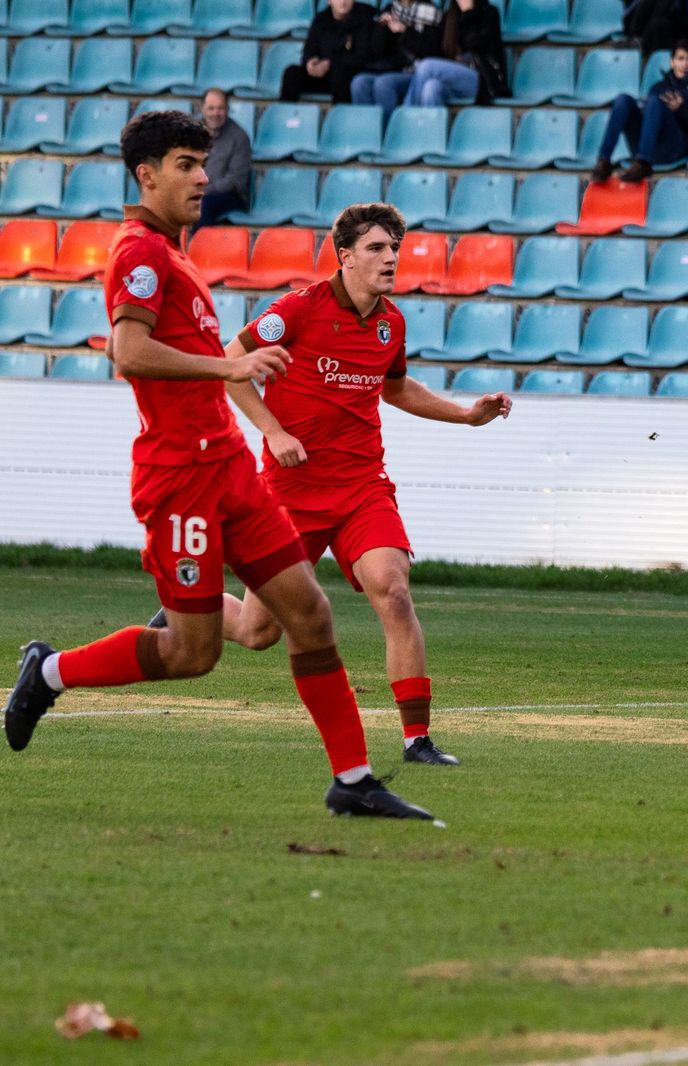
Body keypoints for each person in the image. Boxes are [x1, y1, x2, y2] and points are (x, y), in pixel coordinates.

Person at [2, 111, 432, 820]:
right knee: (193, 654)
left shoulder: (175, 255)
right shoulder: (138, 254)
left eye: (203, 163)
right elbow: (128, 353)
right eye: (184, 164)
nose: (204, 176)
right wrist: (228, 364)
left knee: (310, 616)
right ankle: (48, 673)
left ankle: (353, 780)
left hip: (232, 468)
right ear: (146, 176)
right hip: (181, 480)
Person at [150, 202, 513, 767]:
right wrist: (271, 431)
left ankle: (417, 740)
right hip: (291, 491)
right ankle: (188, 606)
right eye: (376, 248)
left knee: (392, 590)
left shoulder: (392, 321)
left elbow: (395, 389)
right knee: (259, 631)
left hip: (363, 487)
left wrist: (466, 415)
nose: (390, 257)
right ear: (344, 257)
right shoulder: (296, 310)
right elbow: (231, 361)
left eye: (394, 248)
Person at [592, 41, 688, 185]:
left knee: (654, 101)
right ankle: (603, 161)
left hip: (677, 149)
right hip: (647, 145)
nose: (685, 64)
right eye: (680, 59)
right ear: (671, 62)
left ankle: (643, 162)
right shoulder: (658, 88)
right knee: (623, 100)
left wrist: (682, 110)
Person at [400, 0, 510, 109]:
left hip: (482, 80)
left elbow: (477, 45)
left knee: (426, 66)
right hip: (455, 80)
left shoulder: (489, 12)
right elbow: (434, 52)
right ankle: (429, 126)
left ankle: (408, 117)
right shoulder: (450, 17)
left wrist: (468, 12)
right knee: (431, 88)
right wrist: (406, 31)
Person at [351, 0, 448, 120]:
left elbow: (431, 53)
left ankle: (391, 132)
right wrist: (382, 28)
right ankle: (367, 132)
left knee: (384, 83)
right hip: (394, 69)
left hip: (418, 73)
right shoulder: (390, 9)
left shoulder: (431, 13)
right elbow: (376, 50)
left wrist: (405, 31)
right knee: (359, 82)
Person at [280, 0, 377, 104]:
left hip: (349, 76)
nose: (343, 2)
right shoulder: (321, 19)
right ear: (329, 1)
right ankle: (284, 115)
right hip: (323, 75)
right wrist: (311, 61)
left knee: (340, 75)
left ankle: (340, 117)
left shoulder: (365, 18)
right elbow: (310, 47)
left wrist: (330, 64)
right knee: (292, 73)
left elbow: (362, 56)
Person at [192, 89, 250, 233]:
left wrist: (202, 191)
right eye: (211, 108)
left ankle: (200, 253)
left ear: (227, 109)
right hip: (196, 191)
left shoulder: (239, 137)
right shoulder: (191, 131)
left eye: (220, 108)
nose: (215, 113)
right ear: (202, 109)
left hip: (229, 195)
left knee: (203, 204)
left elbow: (235, 180)